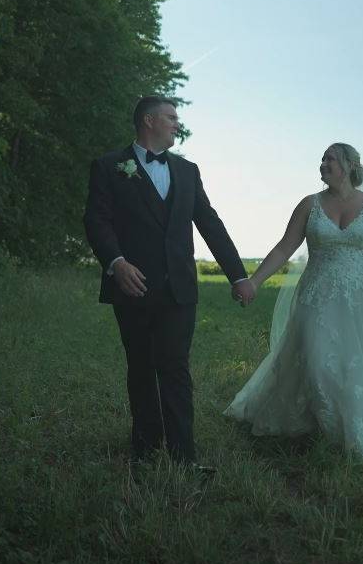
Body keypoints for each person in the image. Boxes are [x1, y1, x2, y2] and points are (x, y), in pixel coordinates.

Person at [83, 96, 255, 468]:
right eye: (171, 117)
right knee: (141, 368)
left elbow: (209, 223)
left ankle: (184, 457)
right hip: (132, 287)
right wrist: (116, 263)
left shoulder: (188, 170)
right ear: (149, 120)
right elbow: (97, 221)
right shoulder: (109, 166)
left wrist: (238, 275)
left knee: (176, 368)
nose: (177, 124)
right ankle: (144, 451)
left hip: (179, 290)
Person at [224, 143, 363, 461]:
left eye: (331, 159)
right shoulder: (309, 205)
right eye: (322, 159)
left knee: (356, 365)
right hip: (317, 297)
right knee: (315, 359)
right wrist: (255, 281)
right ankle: (316, 424)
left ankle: (352, 434)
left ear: (350, 166)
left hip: (362, 299)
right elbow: (284, 248)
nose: (323, 164)